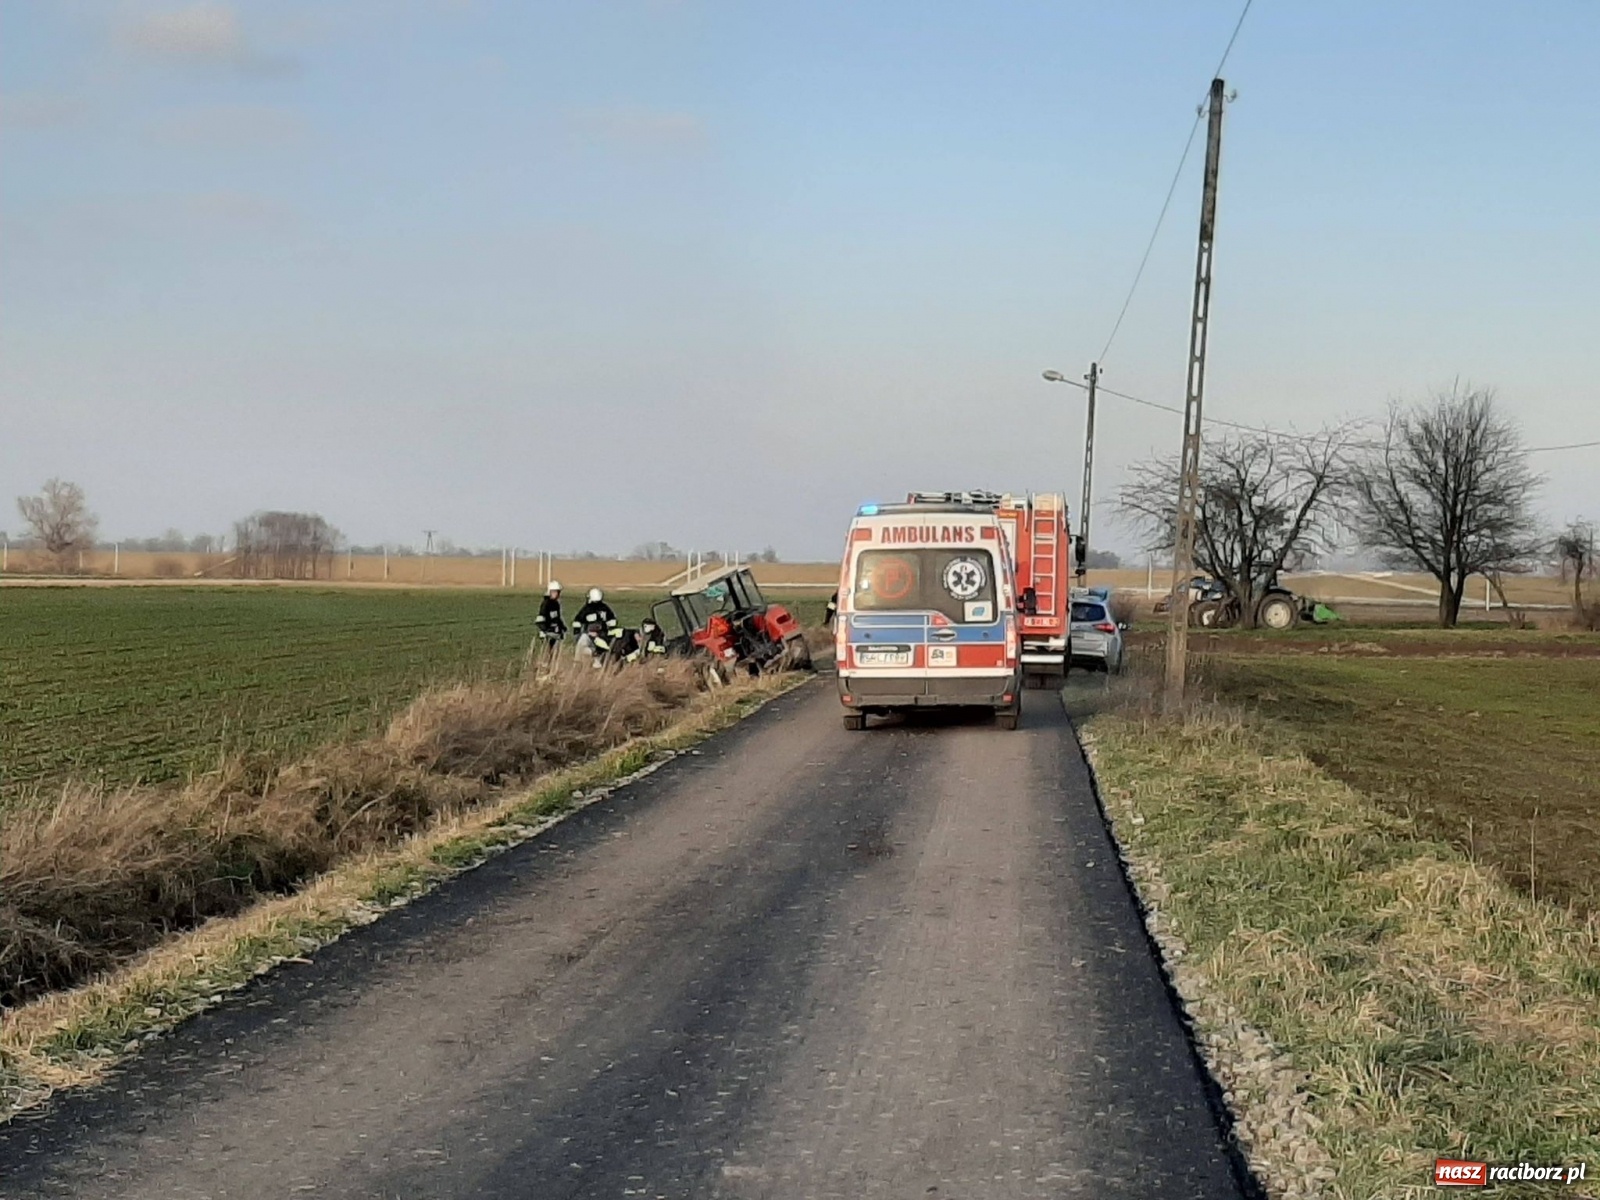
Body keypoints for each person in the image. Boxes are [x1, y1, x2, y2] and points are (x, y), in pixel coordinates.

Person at [573, 588, 620, 662]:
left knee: (581, 646)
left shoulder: (587, 609)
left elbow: (577, 621)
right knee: (600, 657)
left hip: (589, 635)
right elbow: (613, 622)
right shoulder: (605, 608)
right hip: (604, 636)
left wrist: (576, 633)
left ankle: (578, 662)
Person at [534, 580, 567, 650]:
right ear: (550, 592)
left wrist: (562, 627)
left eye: (558, 592)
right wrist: (546, 630)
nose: (558, 594)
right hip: (547, 633)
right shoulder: (545, 604)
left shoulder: (556, 604)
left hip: (554, 632)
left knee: (555, 651)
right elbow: (539, 621)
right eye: (555, 592)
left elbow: (557, 618)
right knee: (548, 651)